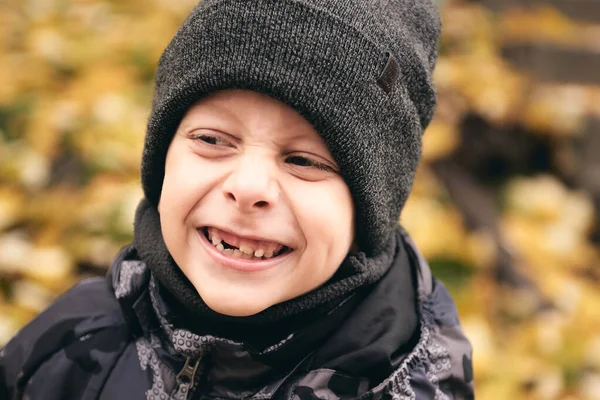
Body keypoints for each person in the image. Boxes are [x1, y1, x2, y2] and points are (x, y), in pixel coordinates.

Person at [0, 0, 474, 399]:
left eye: (305, 161)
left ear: (371, 209)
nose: (247, 188)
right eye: (212, 139)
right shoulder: (68, 337)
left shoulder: (411, 387)